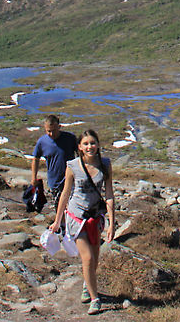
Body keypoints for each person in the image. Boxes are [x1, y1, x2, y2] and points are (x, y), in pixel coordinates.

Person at [49, 129, 115, 316]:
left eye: (93, 143)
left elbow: (109, 194)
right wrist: (57, 220)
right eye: (85, 144)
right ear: (79, 147)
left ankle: (88, 285)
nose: (90, 147)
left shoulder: (105, 164)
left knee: (94, 259)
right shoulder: (73, 166)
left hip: (96, 218)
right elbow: (65, 194)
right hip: (77, 218)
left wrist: (111, 223)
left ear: (98, 144)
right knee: (87, 258)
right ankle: (95, 299)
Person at [31, 115, 78, 211]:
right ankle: (61, 224)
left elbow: (81, 154)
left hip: (71, 180)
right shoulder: (42, 142)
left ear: (59, 127)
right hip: (54, 182)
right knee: (59, 208)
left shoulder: (70, 138)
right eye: (48, 131)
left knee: (72, 208)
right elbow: (35, 159)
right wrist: (33, 178)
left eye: (54, 130)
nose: (51, 134)